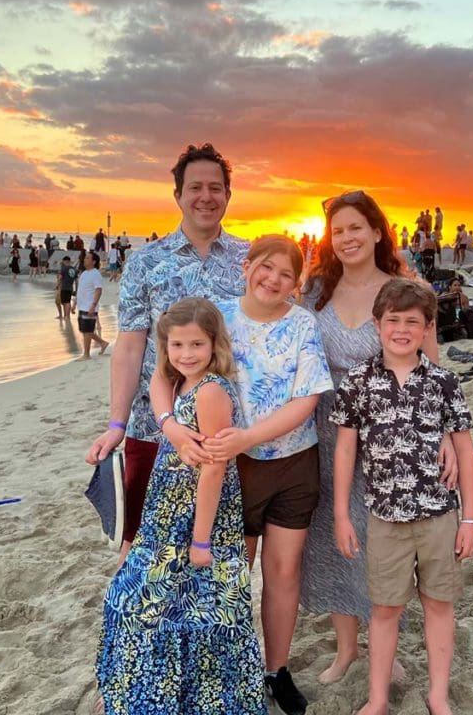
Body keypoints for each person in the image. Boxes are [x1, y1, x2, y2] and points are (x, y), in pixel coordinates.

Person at [149, 235, 333, 714]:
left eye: (286, 275)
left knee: (283, 570)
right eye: (266, 268)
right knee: (233, 575)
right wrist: (171, 428)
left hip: (295, 463)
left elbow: (306, 399)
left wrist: (250, 436)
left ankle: (277, 669)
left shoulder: (302, 324)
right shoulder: (218, 316)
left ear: (297, 283)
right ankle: (232, 667)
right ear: (247, 266)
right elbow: (162, 375)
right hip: (234, 472)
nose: (273, 280)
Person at [299, 190, 456, 689]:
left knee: (381, 538)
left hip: (396, 436)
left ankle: (382, 645)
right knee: (332, 538)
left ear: (376, 231)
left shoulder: (404, 289)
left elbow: (434, 366)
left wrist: (447, 435)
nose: (346, 238)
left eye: (355, 228)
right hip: (325, 433)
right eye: (337, 230)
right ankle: (347, 649)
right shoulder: (315, 291)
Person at [96, 298, 265, 714]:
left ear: (214, 345)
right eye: (177, 346)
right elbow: (155, 380)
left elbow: (215, 469)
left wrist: (202, 540)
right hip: (164, 509)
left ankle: (198, 701)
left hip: (197, 517)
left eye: (196, 345)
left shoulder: (210, 391)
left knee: (198, 609)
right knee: (139, 599)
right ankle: (139, 692)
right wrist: (170, 425)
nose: (186, 354)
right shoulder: (176, 380)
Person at [85, 143, 250, 562]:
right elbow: (130, 344)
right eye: (195, 187)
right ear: (177, 195)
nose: (206, 197)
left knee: (221, 548)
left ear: (228, 195)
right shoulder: (146, 262)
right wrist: (116, 423)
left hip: (227, 430)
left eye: (216, 188)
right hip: (154, 426)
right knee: (139, 549)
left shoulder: (249, 261)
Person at [332, 278, 473, 715]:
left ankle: (438, 695)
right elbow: (345, 449)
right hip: (384, 519)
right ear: (376, 324)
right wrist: (341, 513)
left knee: (439, 603)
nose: (401, 329)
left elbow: (465, 450)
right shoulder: (358, 382)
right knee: (385, 609)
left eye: (412, 322)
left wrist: (470, 518)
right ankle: (377, 698)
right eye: (392, 320)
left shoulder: (444, 382)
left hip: (439, 516)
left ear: (428, 327)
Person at [76, 251, 109, 359]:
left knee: (87, 330)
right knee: (84, 330)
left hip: (89, 306)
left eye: (88, 258)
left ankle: (86, 354)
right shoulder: (84, 273)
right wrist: (74, 303)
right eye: (85, 258)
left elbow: (98, 290)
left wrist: (93, 305)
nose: (85, 259)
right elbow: (80, 290)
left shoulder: (96, 274)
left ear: (93, 262)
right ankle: (103, 343)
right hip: (82, 306)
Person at [56, 255, 77, 320]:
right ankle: (67, 316)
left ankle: (66, 316)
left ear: (64, 261)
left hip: (64, 287)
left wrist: (57, 285)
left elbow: (60, 278)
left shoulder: (64, 268)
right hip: (70, 288)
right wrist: (76, 288)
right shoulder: (73, 269)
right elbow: (76, 280)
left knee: (65, 302)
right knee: (67, 301)